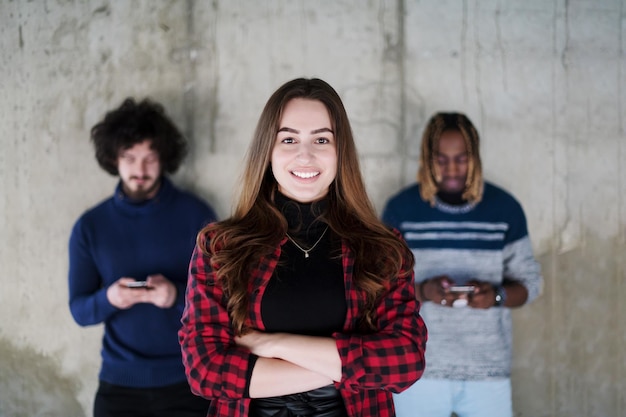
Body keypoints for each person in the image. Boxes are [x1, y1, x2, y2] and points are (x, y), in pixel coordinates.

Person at [178, 78, 427, 417]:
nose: (305, 155)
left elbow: (406, 361)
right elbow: (204, 371)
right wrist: (348, 369)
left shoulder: (383, 249)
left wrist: (273, 345)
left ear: (341, 150)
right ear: (268, 150)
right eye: (289, 139)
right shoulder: (220, 247)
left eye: (321, 139)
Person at [383, 112, 543, 417]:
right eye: (441, 159)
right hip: (417, 368)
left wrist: (495, 296)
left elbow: (531, 284)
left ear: (475, 158)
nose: (452, 169)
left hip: (487, 370)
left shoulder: (505, 209)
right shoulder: (401, 210)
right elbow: (380, 288)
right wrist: (423, 291)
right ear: (427, 160)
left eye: (462, 158)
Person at [68, 98, 216, 417]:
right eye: (130, 157)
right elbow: (79, 311)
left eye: (150, 158)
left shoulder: (197, 215)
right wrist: (110, 298)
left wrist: (177, 295)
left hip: (189, 382)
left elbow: (227, 303)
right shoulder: (90, 226)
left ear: (164, 158)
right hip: (118, 389)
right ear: (113, 158)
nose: (140, 169)